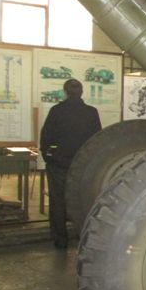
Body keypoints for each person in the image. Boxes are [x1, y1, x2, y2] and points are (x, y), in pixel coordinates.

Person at [40, 79, 101, 249]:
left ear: (65, 92)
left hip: (59, 164)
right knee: (84, 200)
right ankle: (85, 238)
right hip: (83, 165)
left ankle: (60, 239)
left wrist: (49, 157)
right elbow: (97, 140)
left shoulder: (56, 111)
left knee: (58, 201)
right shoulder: (91, 112)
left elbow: (46, 137)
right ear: (82, 92)